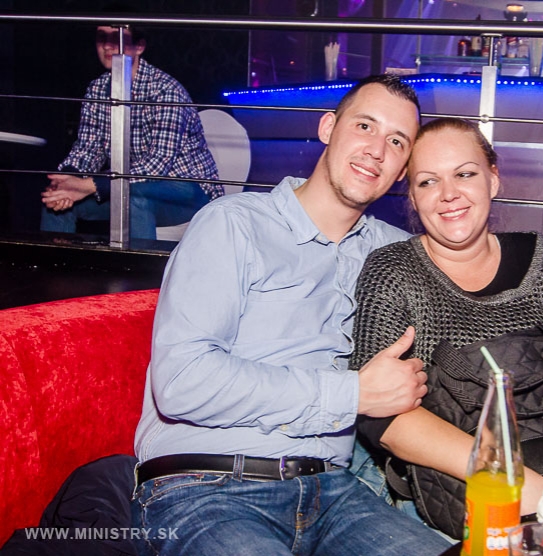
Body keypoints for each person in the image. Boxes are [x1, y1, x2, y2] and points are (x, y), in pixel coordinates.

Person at [130, 75, 452, 556]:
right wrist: (354, 393)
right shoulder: (234, 223)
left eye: (396, 141)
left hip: (335, 494)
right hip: (206, 484)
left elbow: (484, 276)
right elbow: (182, 382)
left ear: (403, 169)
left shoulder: (392, 254)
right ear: (328, 127)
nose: (376, 150)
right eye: (365, 126)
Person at [350, 117, 543, 524]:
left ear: (493, 179)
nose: (449, 194)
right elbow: (378, 412)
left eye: (465, 174)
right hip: (464, 492)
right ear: (412, 198)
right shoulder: (392, 271)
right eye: (428, 182)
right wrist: (504, 476)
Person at [40, 17, 223, 240]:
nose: (108, 46)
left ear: (139, 47)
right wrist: (68, 179)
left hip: (188, 190)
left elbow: (157, 164)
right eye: (101, 38)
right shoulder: (97, 89)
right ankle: (57, 263)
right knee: (56, 201)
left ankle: (137, 264)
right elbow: (88, 149)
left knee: (134, 198)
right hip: (127, 184)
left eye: (118, 38)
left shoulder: (166, 90)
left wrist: (90, 185)